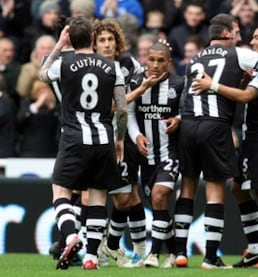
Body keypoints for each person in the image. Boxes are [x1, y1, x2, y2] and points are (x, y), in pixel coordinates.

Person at [175, 13, 258, 269]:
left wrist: (213, 85)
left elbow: (248, 95)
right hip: (236, 133)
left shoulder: (197, 57)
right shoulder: (241, 56)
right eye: (239, 32)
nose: (247, 38)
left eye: (257, 36)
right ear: (226, 33)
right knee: (237, 188)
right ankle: (253, 251)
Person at [39, 17, 128, 270]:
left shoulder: (64, 63)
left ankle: (70, 236)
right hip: (103, 140)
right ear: (92, 39)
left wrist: (58, 45)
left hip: (74, 139)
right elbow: (122, 110)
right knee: (98, 198)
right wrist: (119, 140)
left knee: (61, 191)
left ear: (70, 39)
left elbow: (42, 74)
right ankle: (90, 257)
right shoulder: (112, 67)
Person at [92, 18, 147, 268]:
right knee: (92, 197)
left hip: (121, 137)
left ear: (118, 41)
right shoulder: (91, 67)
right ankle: (93, 250)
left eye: (110, 39)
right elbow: (112, 105)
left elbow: (126, 109)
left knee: (126, 197)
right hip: (95, 138)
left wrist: (130, 135)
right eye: (101, 40)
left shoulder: (129, 65)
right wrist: (144, 87)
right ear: (93, 44)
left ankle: (112, 245)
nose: (106, 44)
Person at [127, 40, 184, 268]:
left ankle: (153, 254)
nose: (155, 64)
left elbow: (186, 111)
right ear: (145, 59)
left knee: (160, 196)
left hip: (170, 153)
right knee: (157, 206)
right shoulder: (136, 82)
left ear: (168, 62)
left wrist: (178, 119)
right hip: (146, 157)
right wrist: (137, 136)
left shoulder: (179, 83)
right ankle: (174, 253)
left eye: (161, 60)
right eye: (151, 59)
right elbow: (128, 113)